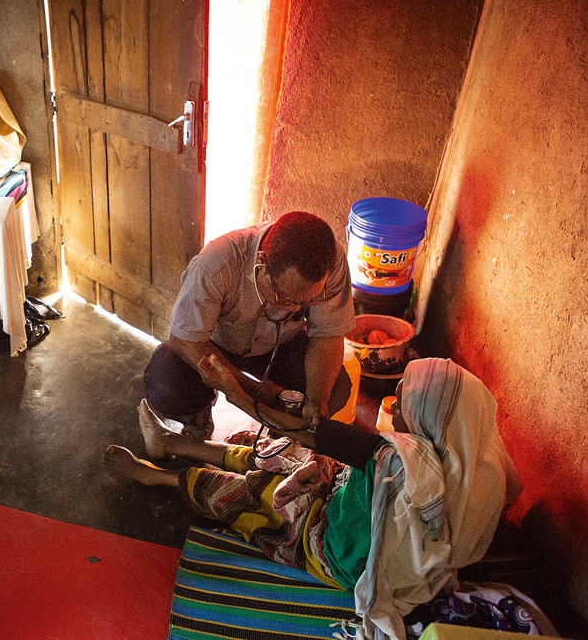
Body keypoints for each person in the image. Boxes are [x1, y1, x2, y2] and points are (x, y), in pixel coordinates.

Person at [104, 355, 522, 640]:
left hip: (329, 542)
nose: (394, 407)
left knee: (249, 490)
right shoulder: (483, 466)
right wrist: (321, 471)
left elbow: (312, 432)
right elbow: (348, 465)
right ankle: (174, 444)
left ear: (431, 419)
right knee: (268, 450)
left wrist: (232, 389)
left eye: (404, 401)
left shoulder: (401, 462)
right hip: (354, 506)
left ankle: (154, 476)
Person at [144, 211, 355, 439]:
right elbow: (186, 339)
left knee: (336, 388)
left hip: (280, 343)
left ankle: (283, 432)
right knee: (167, 386)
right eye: (284, 298)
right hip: (214, 344)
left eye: (305, 301)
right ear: (261, 264)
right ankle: (198, 414)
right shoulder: (216, 264)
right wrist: (255, 391)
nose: (295, 309)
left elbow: (327, 335)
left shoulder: (330, 262)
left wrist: (316, 400)